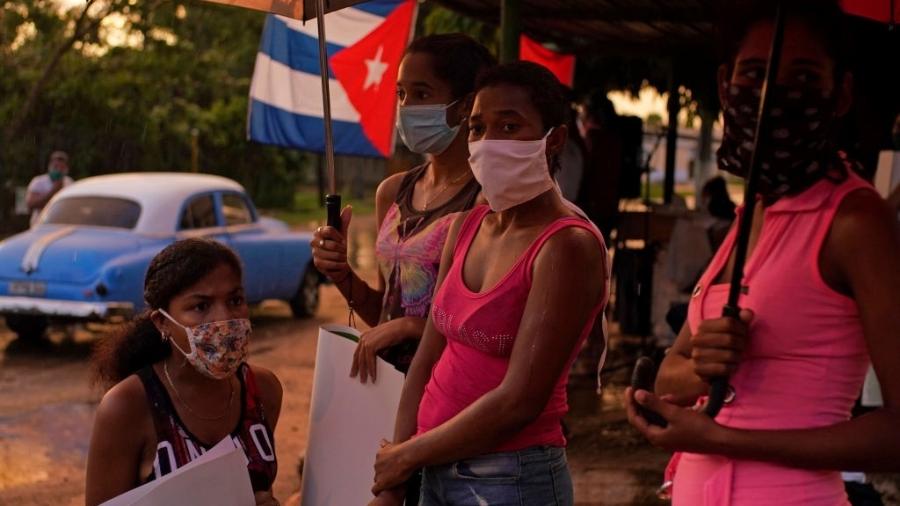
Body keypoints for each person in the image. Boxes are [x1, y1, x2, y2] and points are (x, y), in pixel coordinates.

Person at [624, 2, 900, 505]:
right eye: (756, 73)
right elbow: (672, 373)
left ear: (840, 94)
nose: (774, 91)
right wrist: (699, 369)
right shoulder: (752, 210)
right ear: (726, 84)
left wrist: (724, 440)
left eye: (804, 74)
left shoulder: (857, 221)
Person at [369, 61, 608, 506]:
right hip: (434, 467)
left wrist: (406, 457)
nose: (488, 142)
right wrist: (396, 477)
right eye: (478, 128)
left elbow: (520, 399)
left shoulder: (565, 247)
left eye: (509, 126)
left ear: (553, 139)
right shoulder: (467, 226)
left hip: (509, 478)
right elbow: (427, 359)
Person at [311, 34, 494, 381]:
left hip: (450, 390)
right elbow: (384, 314)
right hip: (388, 386)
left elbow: (490, 334)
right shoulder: (393, 192)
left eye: (422, 93)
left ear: (465, 105)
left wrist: (414, 327)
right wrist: (340, 273)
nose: (407, 106)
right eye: (401, 93)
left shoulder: (485, 200)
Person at [85, 239, 283, 506]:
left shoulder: (262, 390)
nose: (223, 319)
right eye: (201, 307)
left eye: (235, 300)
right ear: (162, 322)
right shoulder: (127, 406)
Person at [576, 92, 623, 240]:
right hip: (607, 208)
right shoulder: (614, 140)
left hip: (592, 209)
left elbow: (586, 172)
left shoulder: (593, 138)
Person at [26, 150, 73, 226]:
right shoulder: (38, 181)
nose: (58, 170)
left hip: (62, 225)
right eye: (55, 167)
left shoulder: (69, 182)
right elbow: (31, 204)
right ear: (50, 166)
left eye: (61, 167)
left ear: (66, 169)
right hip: (40, 225)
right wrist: (54, 190)